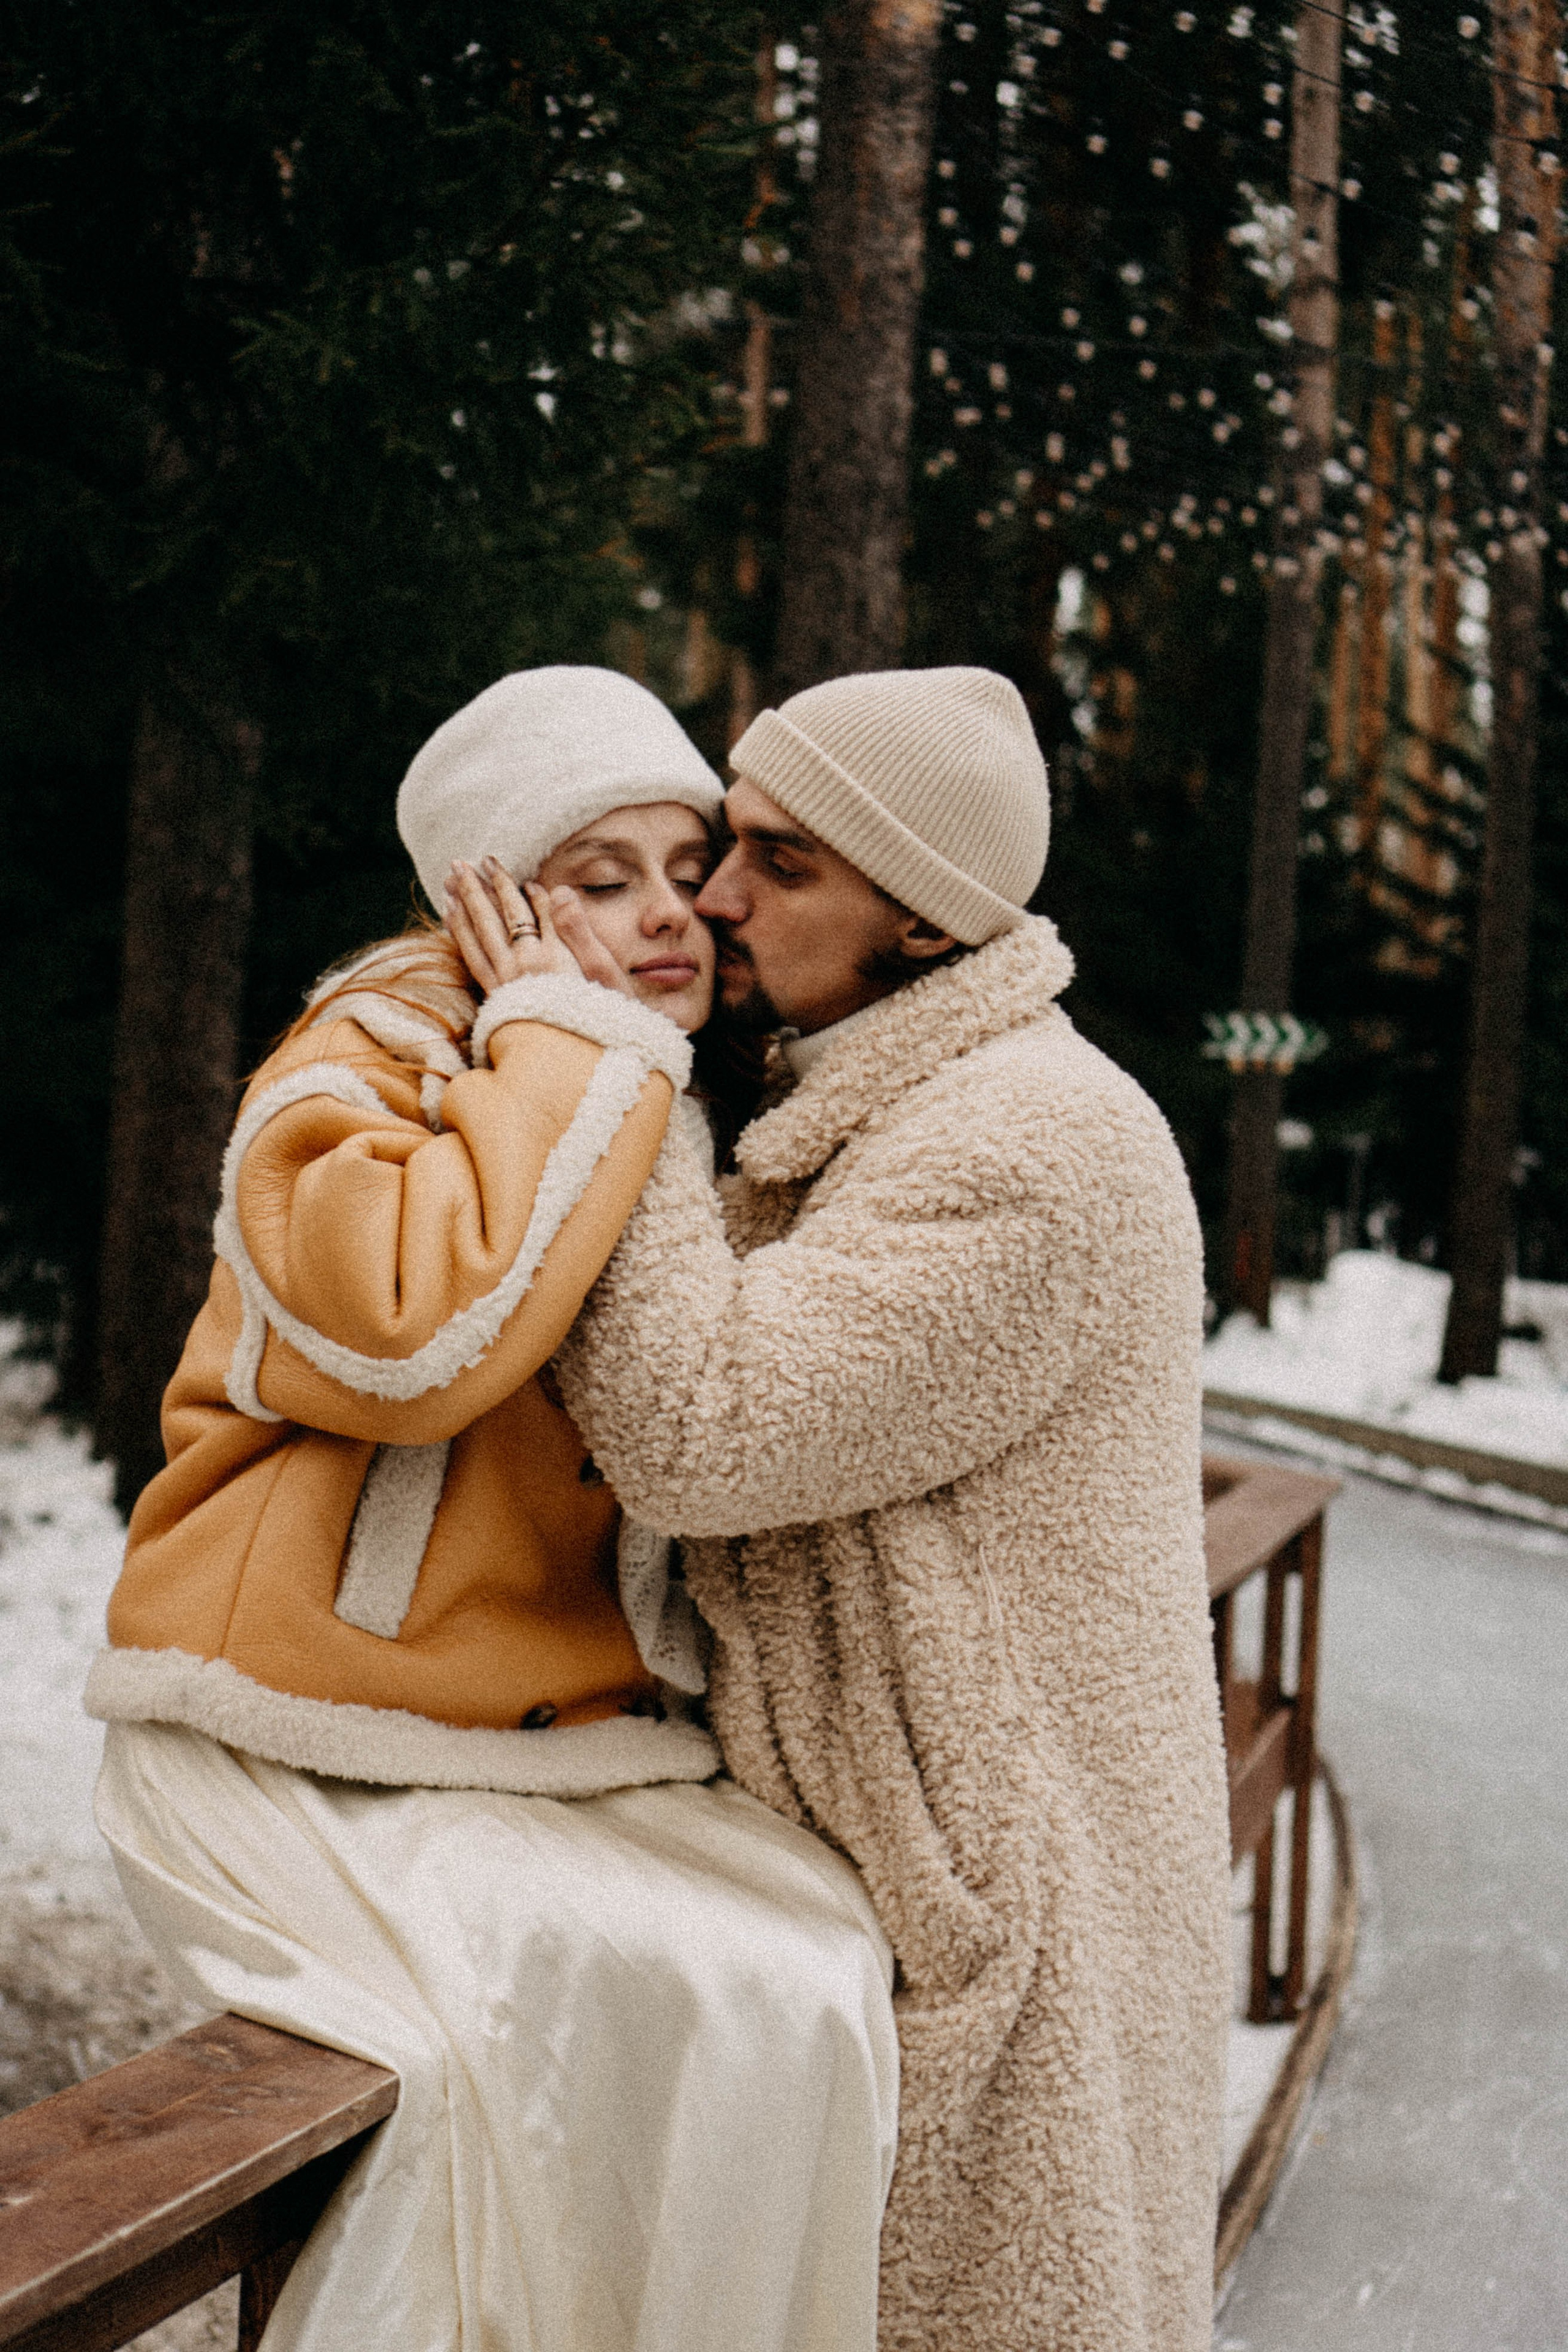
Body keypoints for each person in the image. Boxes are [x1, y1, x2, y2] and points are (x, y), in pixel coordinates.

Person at [86, 665, 899, 2352]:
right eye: (600, 879)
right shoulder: (362, 1054)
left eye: (685, 870)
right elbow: (403, 1332)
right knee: (495, 2075)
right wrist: (567, 1041)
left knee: (812, 1971)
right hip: (298, 1734)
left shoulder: (668, 1086)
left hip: (543, 1745)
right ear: (484, 900)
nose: (668, 915)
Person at [476, 666, 1232, 2352]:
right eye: (726, 845)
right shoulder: (876, 1103)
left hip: (1012, 1921)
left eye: (785, 868)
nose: (715, 901)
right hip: (901, 1885)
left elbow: (706, 1432)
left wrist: (612, 1063)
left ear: (931, 927)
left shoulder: (1035, 1147)